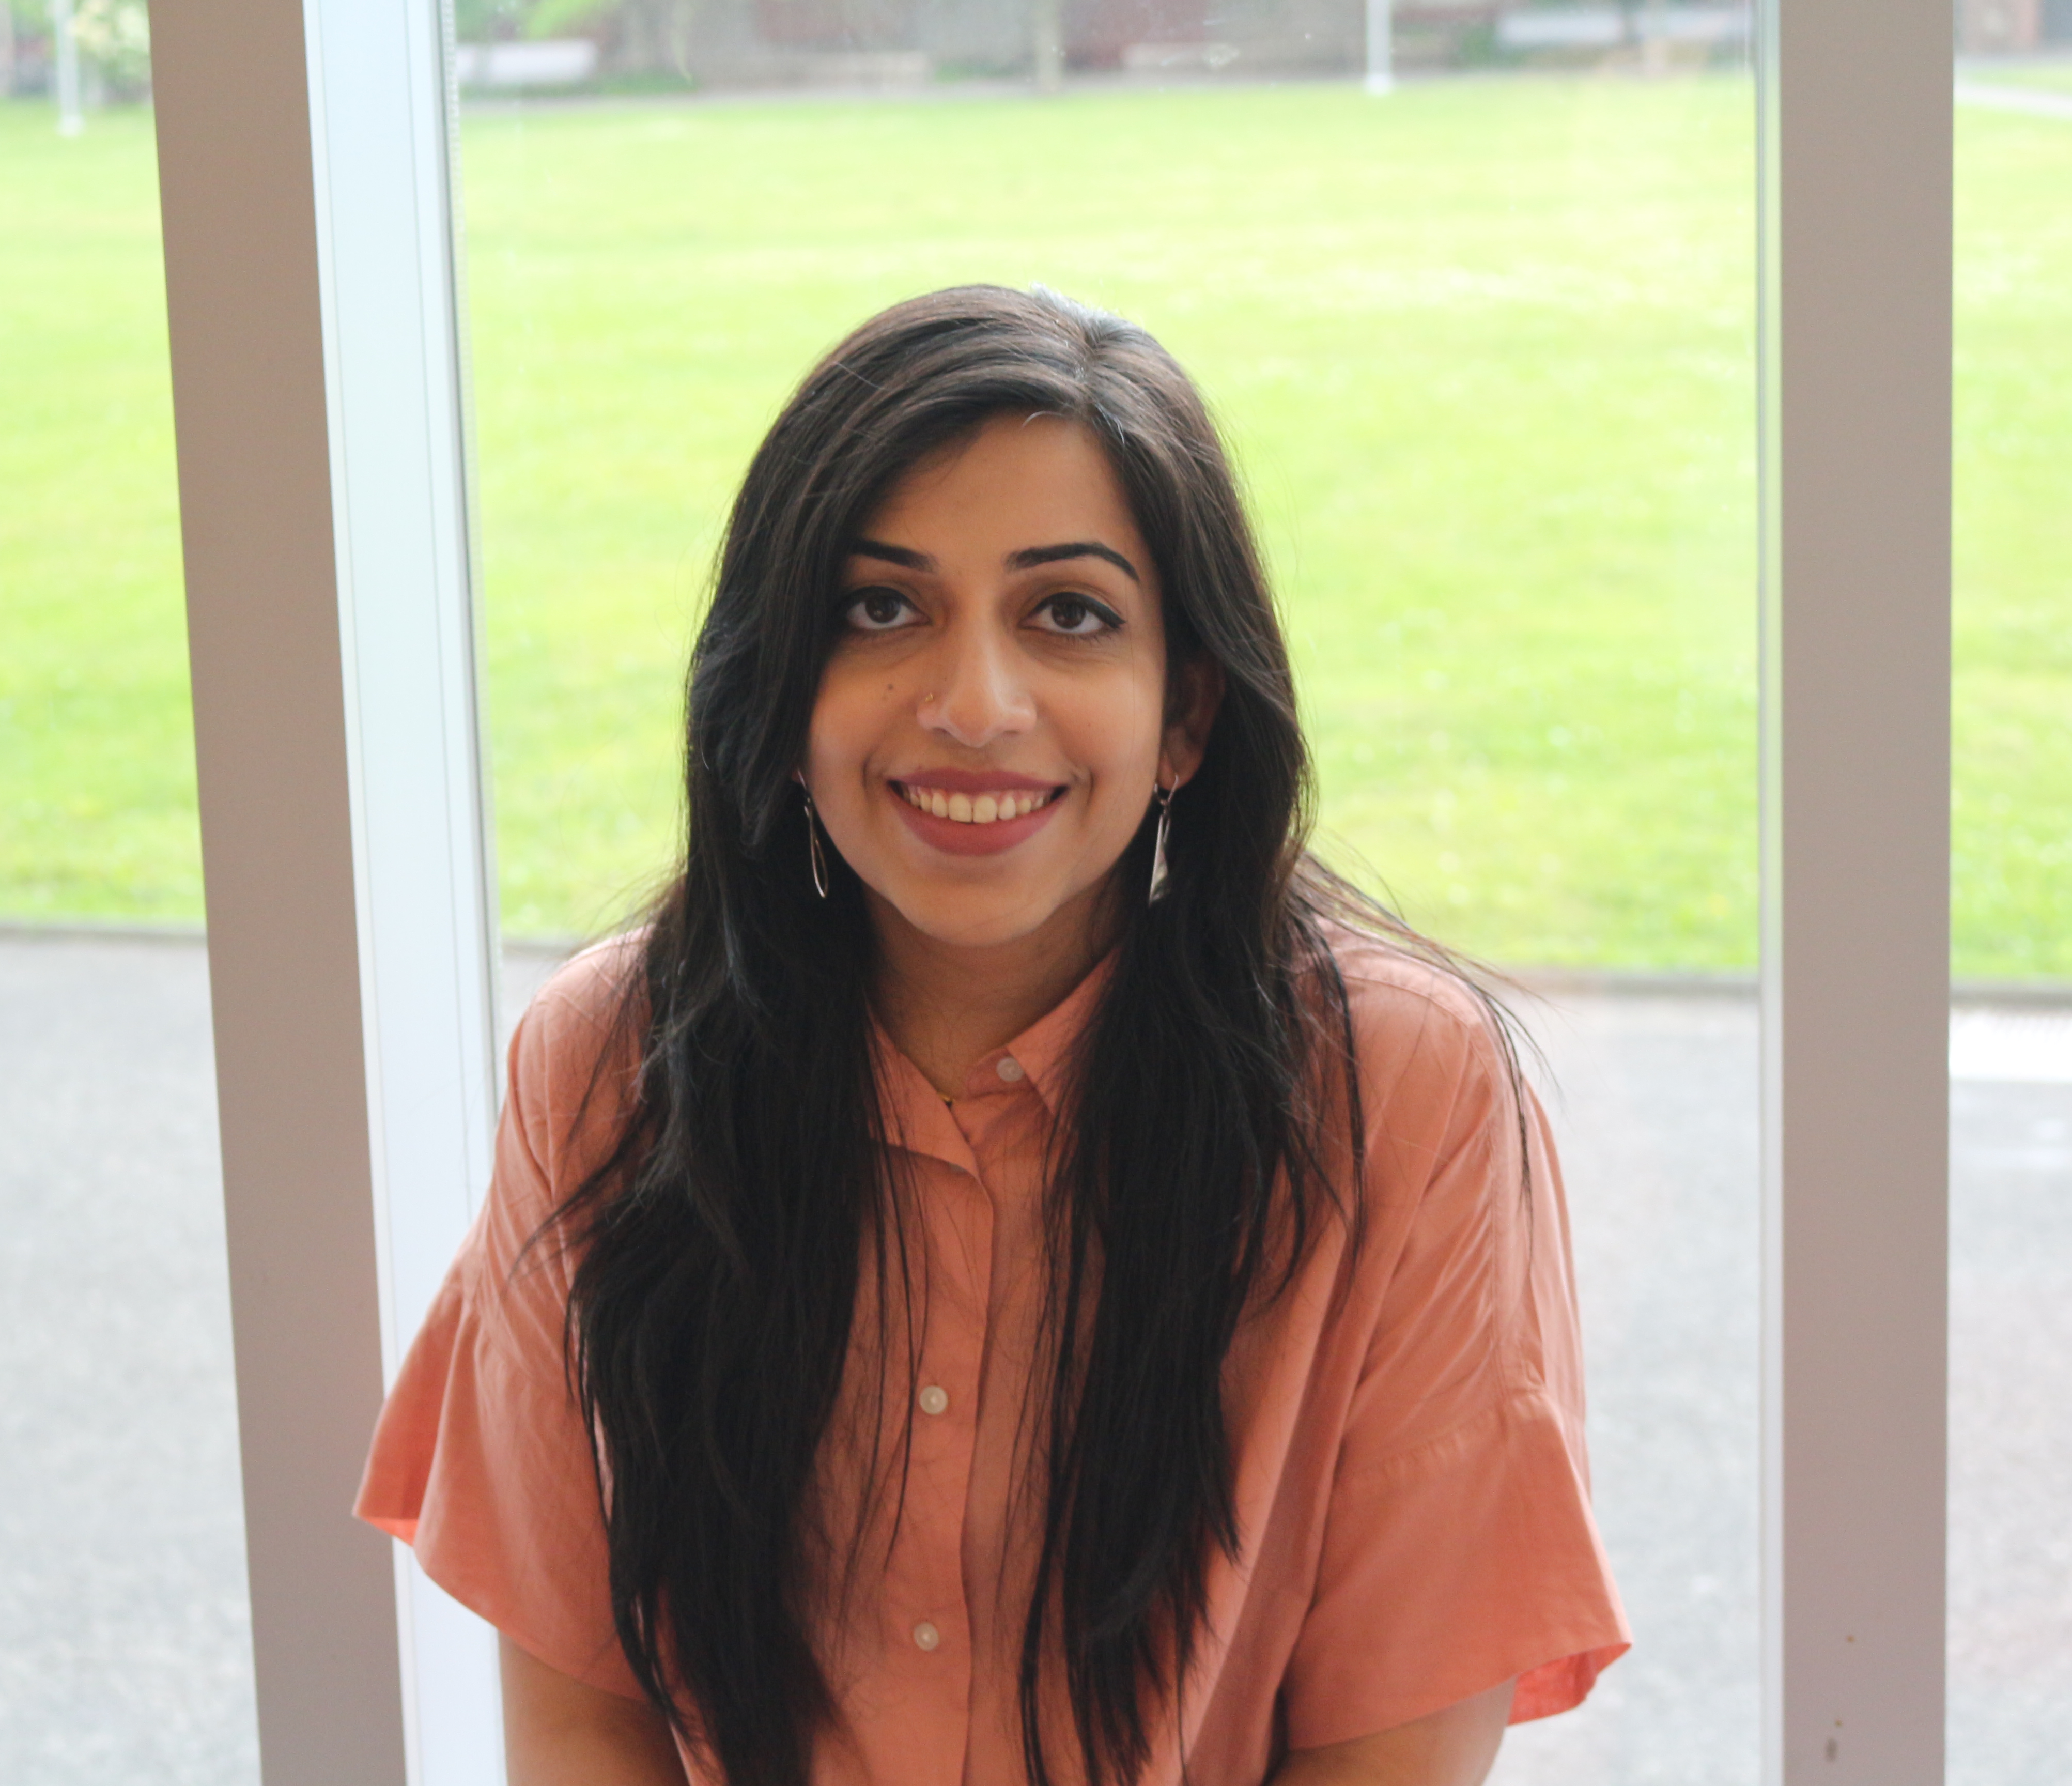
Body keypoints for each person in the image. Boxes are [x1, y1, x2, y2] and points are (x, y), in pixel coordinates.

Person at [357, 285, 1629, 1786]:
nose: (973, 703)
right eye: (881, 607)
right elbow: (580, 1720)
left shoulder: (1403, 1095)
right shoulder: (606, 1065)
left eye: (1068, 615)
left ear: (1189, 719)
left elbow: (1392, 1759)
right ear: (781, 690)